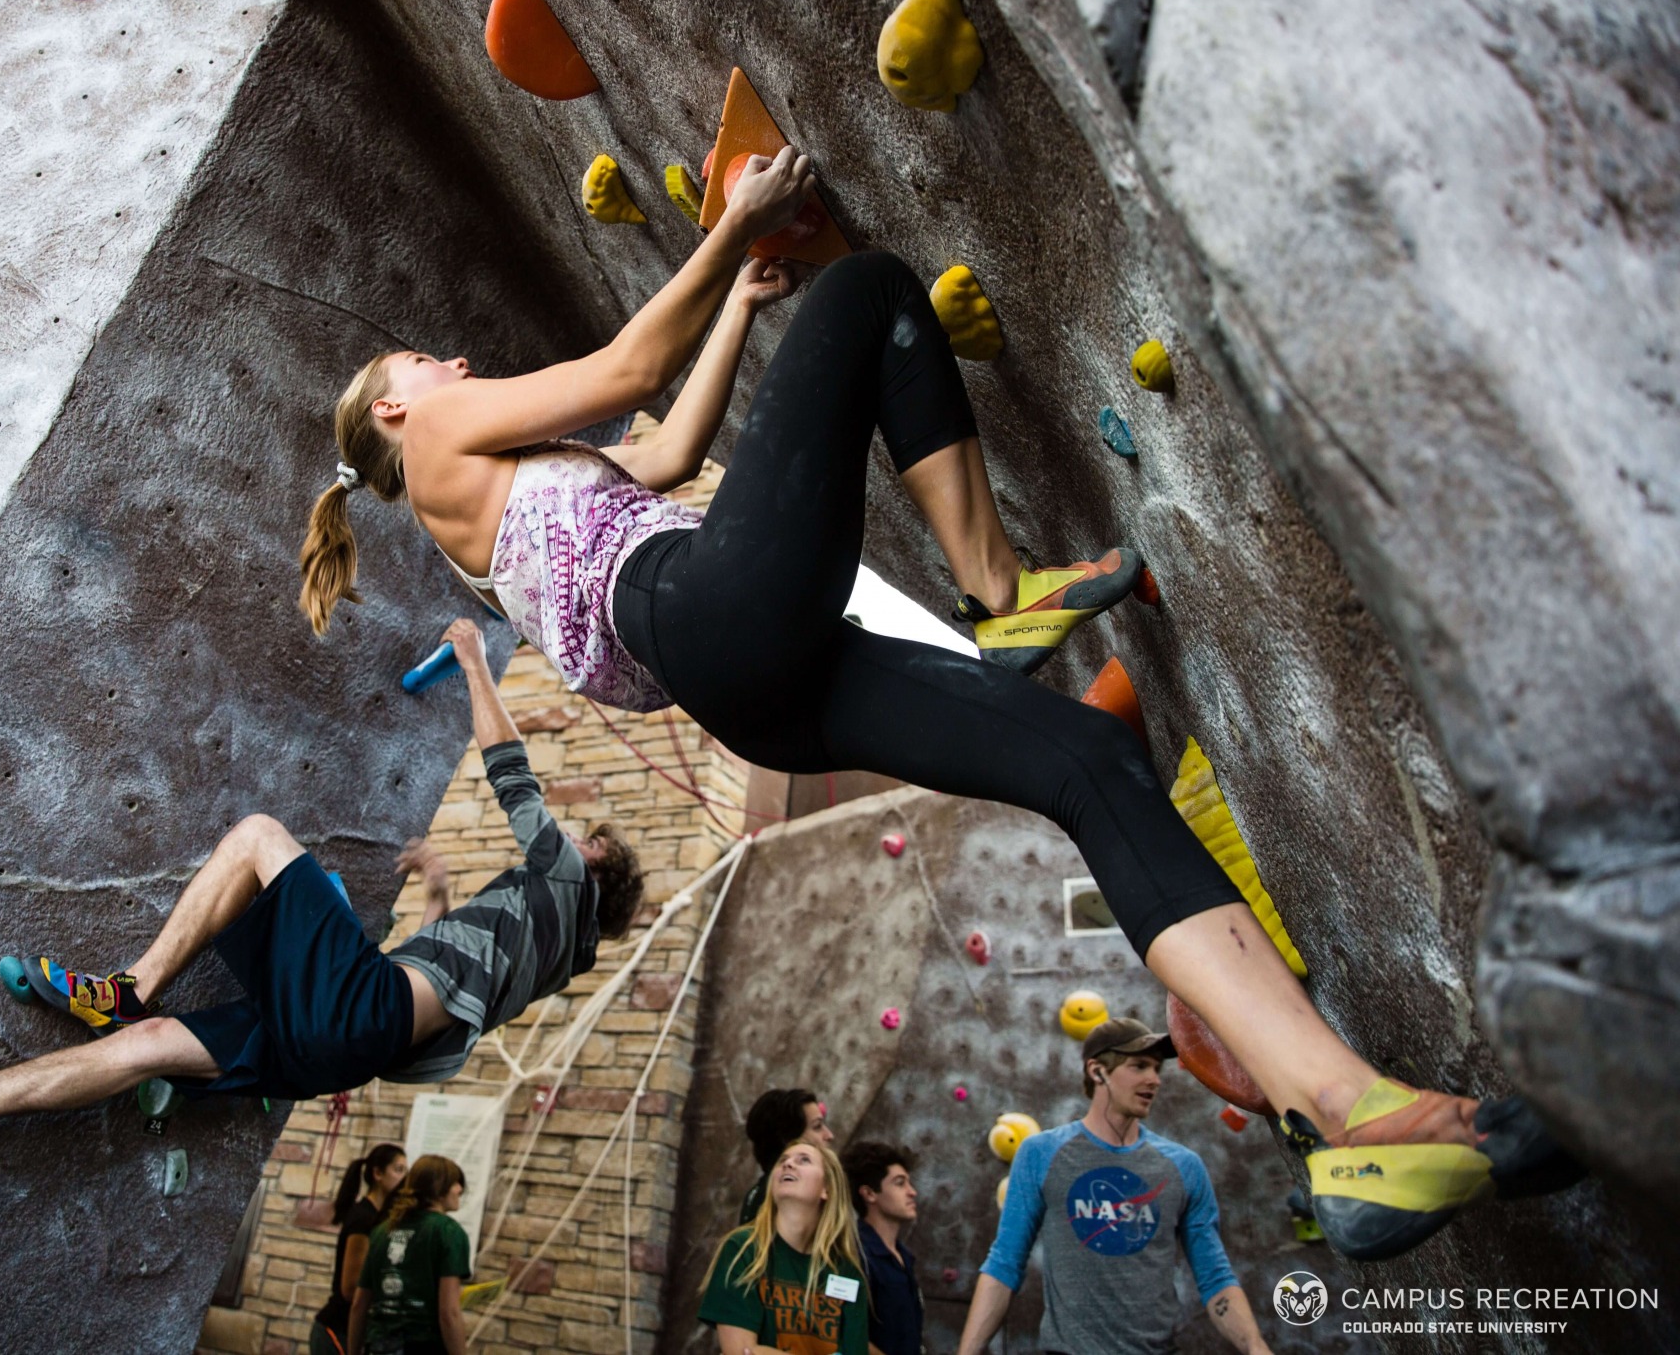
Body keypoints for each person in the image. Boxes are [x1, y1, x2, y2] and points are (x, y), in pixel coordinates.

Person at [299, 146, 1577, 1258]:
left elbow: (667, 454)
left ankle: (1345, 1115)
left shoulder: (494, 511)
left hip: (752, 689)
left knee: (1087, 761)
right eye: (422, 360)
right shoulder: (439, 431)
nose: (451, 358)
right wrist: (736, 220)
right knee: (865, 290)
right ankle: (997, 591)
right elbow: (629, 362)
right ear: (396, 408)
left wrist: (737, 301)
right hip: (706, 607)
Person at [0, 622, 643, 1153]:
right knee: (147, 1051)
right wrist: (433, 891)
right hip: (340, 1049)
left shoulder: (563, 883)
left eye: (585, 839)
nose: (571, 838)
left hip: (364, 1013)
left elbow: (511, 775)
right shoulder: (545, 956)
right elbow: (442, 987)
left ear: (592, 867)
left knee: (257, 837)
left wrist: (472, 657)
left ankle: (131, 985)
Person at [958, 1019, 1269, 1355]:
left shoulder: (1184, 1166)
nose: (1154, 1079)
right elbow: (1004, 1265)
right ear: (1097, 1072)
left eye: (1156, 1068)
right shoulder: (1041, 1154)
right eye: (1138, 1066)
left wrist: (1255, 1347)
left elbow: (1215, 1277)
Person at [699, 1140, 874, 1355]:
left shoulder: (847, 1273)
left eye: (804, 1160)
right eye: (783, 1160)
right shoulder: (743, 1249)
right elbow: (740, 1351)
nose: (788, 1164)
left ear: (826, 1188)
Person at [348, 1154, 471, 1355]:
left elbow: (359, 1305)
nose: (460, 1189)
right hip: (423, 1345)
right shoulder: (449, 1232)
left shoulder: (382, 1231)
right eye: (455, 1183)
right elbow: (449, 1313)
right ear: (439, 1187)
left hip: (379, 1344)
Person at [313, 1144, 409, 1353]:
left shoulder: (379, 1217)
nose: (404, 1179)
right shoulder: (363, 1218)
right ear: (377, 1173)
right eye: (398, 1170)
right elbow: (350, 1289)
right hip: (337, 1329)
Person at [841, 1142, 923, 1355]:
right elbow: (839, 1329)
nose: (912, 1192)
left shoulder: (903, 1255)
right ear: (869, 1194)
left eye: (909, 1183)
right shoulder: (852, 1253)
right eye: (899, 1183)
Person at [738, 1087, 834, 1223]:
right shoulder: (784, 1197)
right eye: (817, 1126)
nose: (829, 1135)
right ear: (789, 1141)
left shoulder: (762, 1193)